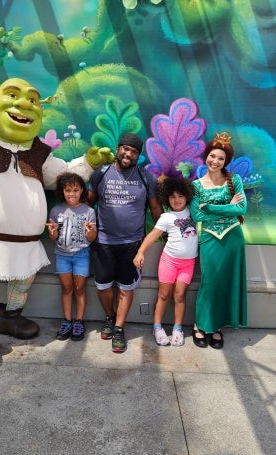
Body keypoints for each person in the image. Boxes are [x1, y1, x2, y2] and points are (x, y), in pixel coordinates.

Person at [0, 78, 114, 371]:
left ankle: (10, 319)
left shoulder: (38, 150)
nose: (23, 104)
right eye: (12, 95)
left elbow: (61, 176)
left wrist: (87, 163)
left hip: (25, 243)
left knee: (22, 284)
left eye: (32, 99)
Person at [87, 133, 162, 353]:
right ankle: (110, 317)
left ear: (138, 156)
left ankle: (119, 328)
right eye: (125, 149)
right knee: (103, 286)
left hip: (132, 243)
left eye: (134, 152)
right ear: (118, 149)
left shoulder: (146, 177)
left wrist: (167, 230)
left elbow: (156, 208)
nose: (129, 154)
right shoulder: (100, 174)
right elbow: (87, 204)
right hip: (103, 241)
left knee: (126, 288)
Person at [190, 131, 247, 349]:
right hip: (209, 238)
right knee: (210, 282)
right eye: (213, 156)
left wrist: (212, 207)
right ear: (206, 156)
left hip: (233, 237)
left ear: (226, 161)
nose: (216, 161)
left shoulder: (235, 180)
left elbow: (241, 208)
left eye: (221, 158)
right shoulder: (196, 186)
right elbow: (197, 215)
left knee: (226, 282)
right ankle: (199, 325)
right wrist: (228, 208)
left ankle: (216, 327)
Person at [133, 177, 198, 346]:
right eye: (173, 197)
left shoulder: (194, 211)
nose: (177, 200)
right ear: (167, 198)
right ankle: (157, 327)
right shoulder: (166, 217)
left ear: (187, 197)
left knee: (180, 295)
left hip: (188, 263)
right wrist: (140, 252)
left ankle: (177, 328)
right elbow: (152, 236)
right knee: (163, 295)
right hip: (169, 262)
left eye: (181, 196)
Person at [47, 172, 97, 341]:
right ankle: (67, 321)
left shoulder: (89, 211)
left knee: (80, 288)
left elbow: (92, 239)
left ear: (82, 190)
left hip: (82, 255)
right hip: (62, 255)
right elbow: (53, 237)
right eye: (68, 190)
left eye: (75, 190)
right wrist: (52, 232)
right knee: (67, 288)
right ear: (63, 191)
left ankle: (79, 322)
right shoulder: (56, 210)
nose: (72, 194)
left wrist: (90, 232)